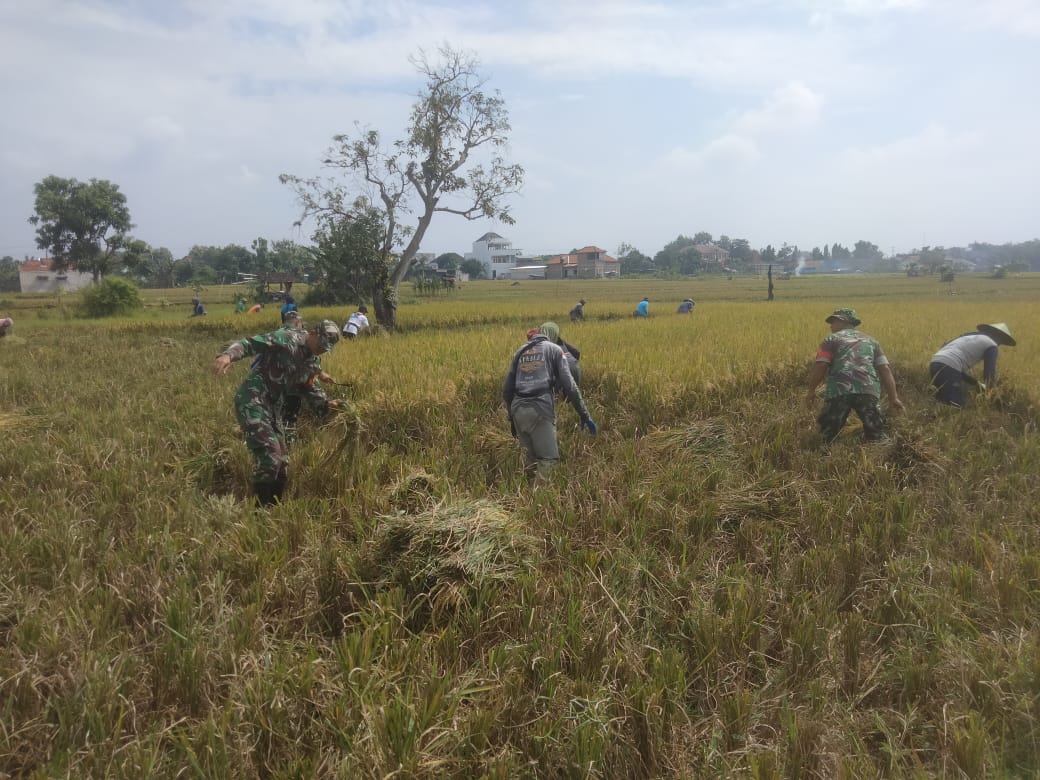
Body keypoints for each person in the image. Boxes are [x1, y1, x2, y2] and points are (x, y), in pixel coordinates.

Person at [211, 318, 344, 507]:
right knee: (269, 455)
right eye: (321, 344)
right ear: (313, 333)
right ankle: (259, 513)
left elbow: (310, 387)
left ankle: (272, 509)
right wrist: (227, 356)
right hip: (254, 398)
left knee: (282, 464)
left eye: (325, 348)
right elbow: (250, 343)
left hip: (274, 408)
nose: (321, 350)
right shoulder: (286, 338)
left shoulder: (312, 362)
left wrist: (328, 404)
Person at [503, 326, 597, 483]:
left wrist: (512, 419)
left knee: (531, 460)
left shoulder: (519, 351)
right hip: (540, 409)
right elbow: (570, 386)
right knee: (548, 460)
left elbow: (506, 390)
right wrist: (584, 414)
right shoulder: (554, 349)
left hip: (518, 410)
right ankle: (536, 503)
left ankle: (525, 496)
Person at [805, 308, 904, 443]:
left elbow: (821, 365)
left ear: (843, 321)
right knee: (876, 434)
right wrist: (894, 398)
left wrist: (811, 391)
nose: (830, 325)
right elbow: (885, 369)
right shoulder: (872, 341)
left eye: (833, 321)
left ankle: (824, 456)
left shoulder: (830, 340)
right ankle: (877, 459)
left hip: (839, 389)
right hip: (867, 389)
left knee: (827, 435)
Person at [929, 322, 1016, 407]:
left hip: (935, 362)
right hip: (949, 366)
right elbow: (989, 375)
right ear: (999, 337)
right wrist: (995, 395)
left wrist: (976, 383)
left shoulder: (967, 337)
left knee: (941, 400)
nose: (999, 344)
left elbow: (955, 368)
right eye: (1001, 341)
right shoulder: (992, 345)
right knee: (955, 406)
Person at [540, 321, 582, 385]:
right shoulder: (561, 342)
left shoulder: (544, 345)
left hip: (563, 373)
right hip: (575, 370)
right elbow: (577, 353)